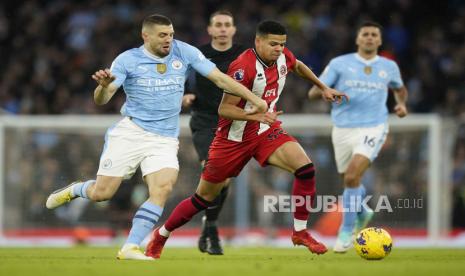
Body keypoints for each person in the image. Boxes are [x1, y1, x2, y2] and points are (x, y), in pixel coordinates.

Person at [45, 14, 267, 261]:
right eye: (163, 35)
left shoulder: (184, 52)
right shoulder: (128, 60)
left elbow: (219, 78)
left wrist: (255, 99)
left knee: (162, 188)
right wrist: (103, 87)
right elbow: (102, 99)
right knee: (102, 193)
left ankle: (130, 246)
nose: (168, 40)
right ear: (146, 36)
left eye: (171, 34)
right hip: (131, 133)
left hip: (164, 138)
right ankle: (75, 189)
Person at [144, 20, 347, 259]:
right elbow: (224, 110)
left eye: (282, 44)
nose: (279, 49)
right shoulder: (243, 67)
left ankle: (300, 232)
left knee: (305, 168)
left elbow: (298, 65)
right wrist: (258, 113)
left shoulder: (283, 56)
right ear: (258, 41)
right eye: (273, 44)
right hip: (232, 140)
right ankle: (162, 234)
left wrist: (322, 87)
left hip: (264, 131)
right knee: (203, 198)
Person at [308, 21, 408, 253]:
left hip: (373, 127)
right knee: (349, 181)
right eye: (366, 34)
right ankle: (362, 211)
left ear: (380, 40)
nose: (370, 38)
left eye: (374, 34)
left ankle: (347, 231)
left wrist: (401, 104)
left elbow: (399, 88)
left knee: (353, 175)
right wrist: (324, 91)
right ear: (358, 39)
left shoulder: (388, 66)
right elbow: (313, 92)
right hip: (342, 128)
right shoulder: (339, 64)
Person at [182, 10, 246, 255]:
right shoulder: (198, 55)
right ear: (209, 30)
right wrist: (186, 94)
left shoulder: (244, 55)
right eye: (217, 25)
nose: (222, 29)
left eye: (226, 25)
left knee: (224, 179)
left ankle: (209, 223)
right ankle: (212, 230)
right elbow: (184, 80)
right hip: (205, 120)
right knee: (213, 172)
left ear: (233, 29)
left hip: (234, 122)